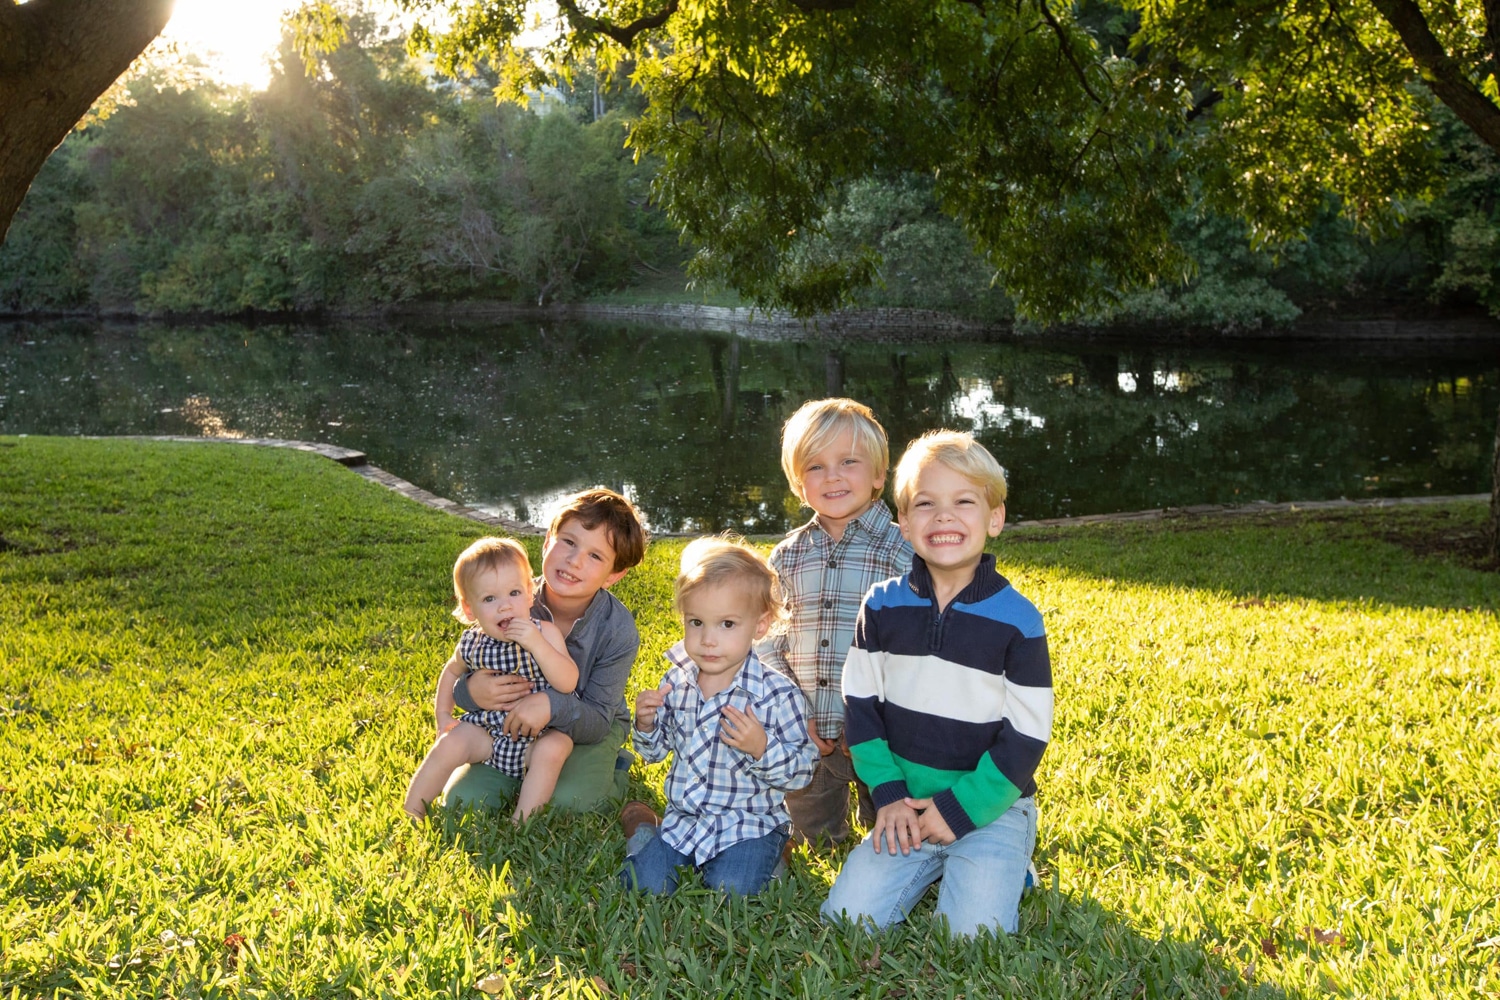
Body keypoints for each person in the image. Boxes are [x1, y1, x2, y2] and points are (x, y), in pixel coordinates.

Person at [821, 430, 1052, 937]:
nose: (943, 517)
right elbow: (861, 710)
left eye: (963, 502)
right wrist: (888, 794)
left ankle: (1008, 861)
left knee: (972, 937)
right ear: (903, 523)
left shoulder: (1019, 621)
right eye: (925, 504)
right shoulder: (880, 607)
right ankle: (939, 864)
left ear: (995, 518)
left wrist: (961, 809)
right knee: (846, 919)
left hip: (990, 806)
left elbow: (1028, 735)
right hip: (904, 805)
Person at [619, 536, 818, 896]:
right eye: (696, 622)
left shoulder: (776, 694)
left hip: (749, 825)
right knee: (644, 885)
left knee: (733, 889)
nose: (708, 639)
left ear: (759, 627)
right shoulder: (676, 682)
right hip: (684, 822)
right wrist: (646, 724)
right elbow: (652, 754)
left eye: (727, 624)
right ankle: (646, 832)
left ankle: (777, 854)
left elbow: (803, 769)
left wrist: (762, 747)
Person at [757, 398, 912, 847]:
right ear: (798, 483)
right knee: (811, 835)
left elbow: (917, 646)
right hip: (810, 730)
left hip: (886, 736)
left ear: (879, 475)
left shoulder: (904, 552)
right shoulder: (787, 556)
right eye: (816, 467)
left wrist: (876, 715)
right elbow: (769, 643)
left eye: (849, 462)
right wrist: (792, 712)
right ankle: (823, 836)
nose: (833, 476)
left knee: (895, 833)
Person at [440, 488, 648, 813]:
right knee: (462, 802)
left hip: (587, 728)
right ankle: (520, 771)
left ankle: (614, 767)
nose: (574, 560)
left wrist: (551, 704)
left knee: (570, 802)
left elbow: (597, 719)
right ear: (548, 540)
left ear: (614, 575)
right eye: (568, 542)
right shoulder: (510, 599)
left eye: (595, 556)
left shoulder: (617, 631)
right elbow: (465, 665)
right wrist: (469, 692)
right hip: (508, 724)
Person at [404, 537, 579, 822]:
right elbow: (450, 672)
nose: (504, 607)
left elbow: (568, 682)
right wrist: (443, 715)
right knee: (450, 742)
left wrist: (537, 645)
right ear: (469, 608)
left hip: (536, 739)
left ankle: (522, 821)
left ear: (529, 594)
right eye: (489, 599)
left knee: (557, 746)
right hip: (487, 736)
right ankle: (412, 811)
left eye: (513, 593)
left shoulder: (544, 632)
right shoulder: (472, 642)